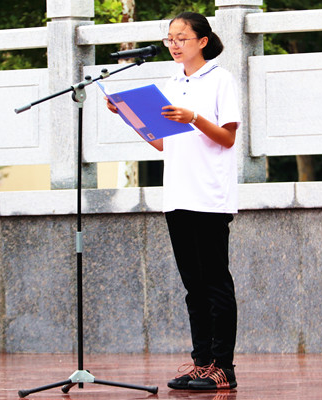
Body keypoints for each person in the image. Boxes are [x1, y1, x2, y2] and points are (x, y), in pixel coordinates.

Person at [106, 11, 240, 391]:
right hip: (177, 195)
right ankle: (202, 363)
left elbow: (227, 138)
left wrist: (194, 117)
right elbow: (164, 143)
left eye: (182, 38)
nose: (174, 45)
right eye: (170, 39)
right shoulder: (171, 82)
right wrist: (130, 117)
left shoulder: (221, 79)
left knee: (215, 284)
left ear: (202, 41)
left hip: (209, 196)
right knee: (193, 287)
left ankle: (224, 368)